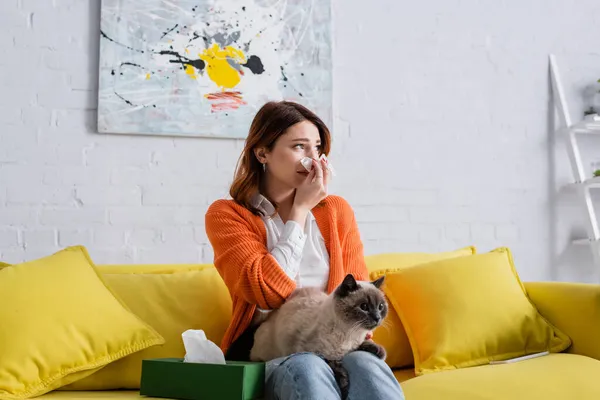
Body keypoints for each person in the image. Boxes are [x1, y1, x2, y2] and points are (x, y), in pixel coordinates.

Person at [205, 101, 405, 400]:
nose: (313, 159)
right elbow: (266, 293)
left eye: (317, 148)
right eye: (300, 147)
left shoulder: (337, 212)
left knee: (368, 365)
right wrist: (300, 210)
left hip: (335, 343)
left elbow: (361, 297)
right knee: (308, 367)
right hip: (272, 352)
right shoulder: (228, 215)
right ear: (262, 153)